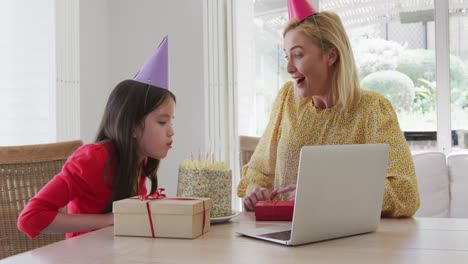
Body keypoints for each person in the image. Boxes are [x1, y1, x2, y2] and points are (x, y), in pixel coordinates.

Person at [237, 0, 420, 217]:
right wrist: (255, 192)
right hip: (284, 236)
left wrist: (328, 194)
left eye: (298, 55)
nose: (289, 68)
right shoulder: (287, 98)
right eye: (287, 56)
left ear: (331, 55)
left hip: (348, 241)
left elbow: (405, 192)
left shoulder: (373, 109)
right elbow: (259, 170)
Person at [17, 36, 176, 238]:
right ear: (133, 127)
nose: (171, 131)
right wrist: (109, 219)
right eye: (163, 122)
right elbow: (30, 218)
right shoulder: (94, 159)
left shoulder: (140, 160)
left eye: (172, 121)